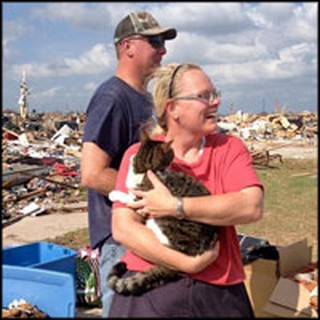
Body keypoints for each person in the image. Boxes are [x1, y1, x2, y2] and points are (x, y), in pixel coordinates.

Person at [109, 62, 264, 317]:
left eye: (215, 94)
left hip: (217, 292)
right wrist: (187, 263)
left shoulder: (228, 149)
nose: (215, 102)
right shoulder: (138, 155)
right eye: (204, 96)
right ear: (173, 108)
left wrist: (175, 206)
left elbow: (251, 206)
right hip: (151, 289)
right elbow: (124, 228)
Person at [81, 11, 177, 317]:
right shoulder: (112, 97)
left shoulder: (145, 100)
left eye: (163, 42)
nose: (163, 49)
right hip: (120, 239)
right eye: (155, 41)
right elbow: (93, 173)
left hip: (147, 233)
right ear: (128, 47)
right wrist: (149, 197)